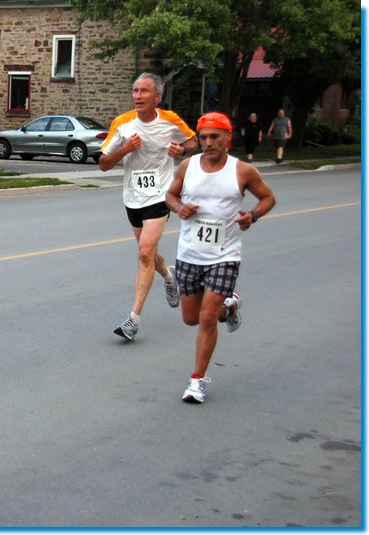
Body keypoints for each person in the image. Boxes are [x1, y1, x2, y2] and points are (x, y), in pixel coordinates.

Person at [164, 112, 276, 403]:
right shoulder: (188, 166)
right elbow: (170, 195)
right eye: (203, 137)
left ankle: (197, 380)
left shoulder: (243, 171)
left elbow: (268, 198)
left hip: (225, 255)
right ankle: (229, 308)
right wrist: (179, 208)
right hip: (189, 253)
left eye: (215, 136)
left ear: (228, 137)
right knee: (191, 318)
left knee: (206, 317)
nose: (208, 142)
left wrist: (252, 215)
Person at [99, 72, 198, 341]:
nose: (137, 96)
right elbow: (103, 164)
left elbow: (192, 140)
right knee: (149, 254)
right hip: (132, 197)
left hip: (160, 195)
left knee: (144, 252)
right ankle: (168, 276)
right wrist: (124, 149)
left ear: (157, 97)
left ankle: (133, 319)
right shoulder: (122, 123)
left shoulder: (170, 119)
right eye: (135, 91)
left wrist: (182, 150)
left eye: (144, 91)